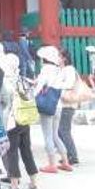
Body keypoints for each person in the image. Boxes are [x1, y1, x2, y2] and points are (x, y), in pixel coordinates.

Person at [0, 53, 39, 189]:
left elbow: (1, 102)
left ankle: (14, 187)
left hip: (11, 121)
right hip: (25, 119)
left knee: (12, 153)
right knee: (26, 151)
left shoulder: (4, 82)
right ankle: (33, 184)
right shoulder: (23, 79)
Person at [33, 46, 72, 174]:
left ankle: (51, 164)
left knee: (47, 136)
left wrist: (31, 97)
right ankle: (65, 161)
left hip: (47, 105)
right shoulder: (59, 70)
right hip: (58, 105)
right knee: (55, 135)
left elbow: (39, 87)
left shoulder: (45, 69)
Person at [57, 48, 80, 166]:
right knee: (61, 130)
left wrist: (56, 84)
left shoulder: (69, 69)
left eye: (59, 56)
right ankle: (68, 154)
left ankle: (73, 156)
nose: (57, 58)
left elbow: (69, 84)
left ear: (64, 58)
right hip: (65, 103)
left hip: (68, 103)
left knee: (63, 130)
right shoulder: (64, 69)